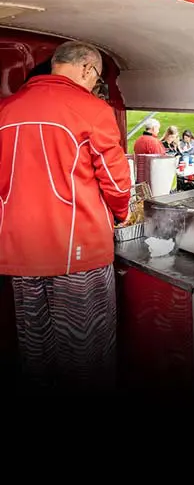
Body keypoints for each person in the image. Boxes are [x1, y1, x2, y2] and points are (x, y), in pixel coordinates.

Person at [0, 40, 131, 392]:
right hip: (77, 252)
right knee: (88, 357)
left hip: (20, 254)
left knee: (36, 353)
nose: (95, 86)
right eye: (98, 79)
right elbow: (117, 184)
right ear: (87, 69)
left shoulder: (6, 110)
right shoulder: (92, 109)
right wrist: (120, 215)